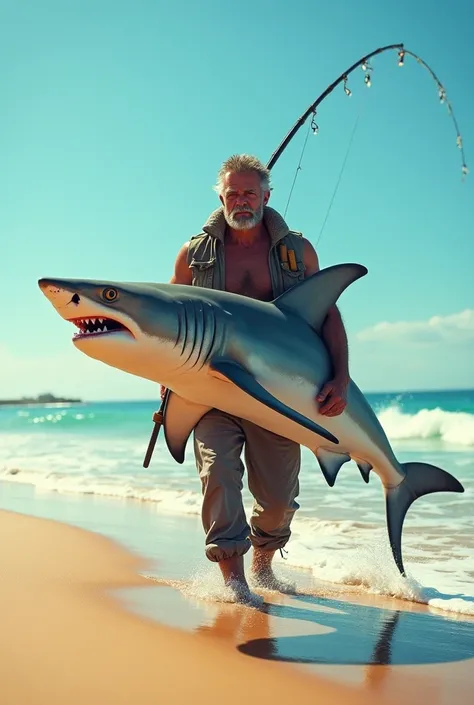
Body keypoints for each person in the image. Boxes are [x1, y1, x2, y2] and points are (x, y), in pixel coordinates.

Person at [165, 154, 350, 603]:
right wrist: (169, 392)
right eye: (232, 193)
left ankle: (263, 565)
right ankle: (234, 582)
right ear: (220, 197)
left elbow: (325, 312)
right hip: (212, 389)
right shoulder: (194, 255)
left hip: (275, 393)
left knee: (279, 499)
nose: (241, 200)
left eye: (250, 192)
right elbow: (170, 325)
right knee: (218, 472)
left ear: (267, 196)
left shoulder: (297, 252)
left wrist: (341, 377)